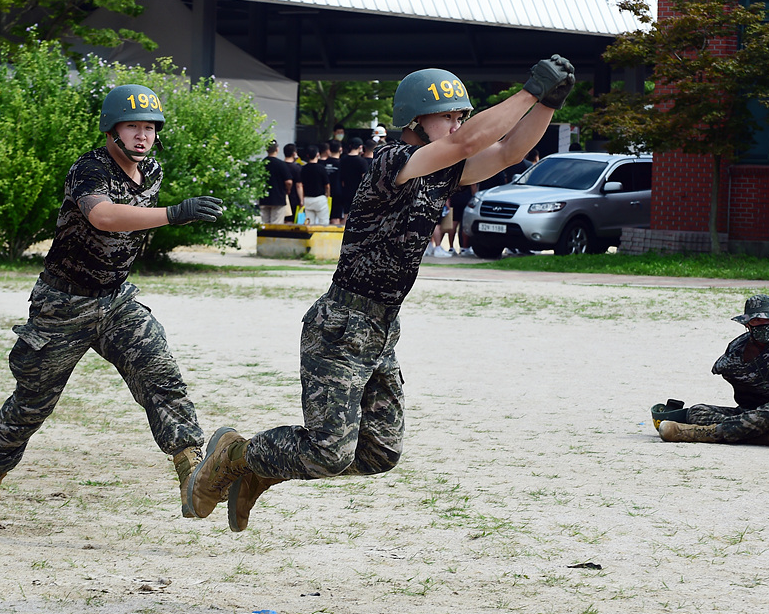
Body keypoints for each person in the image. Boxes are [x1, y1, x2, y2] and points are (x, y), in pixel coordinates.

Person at [185, 57, 575, 531]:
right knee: (330, 452)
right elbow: (469, 141)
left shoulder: (442, 170)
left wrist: (547, 103)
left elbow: (509, 151)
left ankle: (258, 470)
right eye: (449, 115)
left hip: (382, 327)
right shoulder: (393, 161)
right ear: (415, 120)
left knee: (380, 452)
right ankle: (236, 457)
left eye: (460, 115)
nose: (458, 123)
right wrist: (528, 91)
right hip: (341, 324)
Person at [0, 85, 225, 538]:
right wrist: (174, 214)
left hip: (116, 299)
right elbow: (102, 216)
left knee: (161, 375)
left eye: (149, 128)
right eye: (132, 126)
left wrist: (165, 215)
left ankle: (191, 472)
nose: (142, 136)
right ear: (112, 130)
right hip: (63, 303)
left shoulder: (152, 171)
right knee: (31, 405)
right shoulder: (89, 169)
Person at [658, 294, 769, 445]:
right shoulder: (736, 347)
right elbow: (722, 369)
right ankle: (760, 435)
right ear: (747, 324)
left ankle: (708, 433)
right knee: (696, 412)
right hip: (746, 413)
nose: (764, 324)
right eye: (757, 320)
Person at [259, 140, 292, 224]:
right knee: (276, 223)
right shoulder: (281, 164)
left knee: (264, 223)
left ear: (266, 150)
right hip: (278, 198)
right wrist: (288, 190)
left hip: (264, 198)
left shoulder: (262, 164)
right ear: (277, 149)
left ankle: (264, 237)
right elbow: (288, 181)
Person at [299, 143, 331, 225]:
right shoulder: (321, 168)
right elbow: (327, 185)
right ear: (318, 154)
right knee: (323, 222)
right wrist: (327, 195)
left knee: (309, 223)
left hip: (308, 199)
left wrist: (302, 200)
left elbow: (300, 185)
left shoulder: (303, 169)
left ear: (307, 155)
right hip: (320, 198)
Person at [338, 137, 369, 219]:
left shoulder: (342, 160)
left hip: (345, 191)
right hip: (358, 193)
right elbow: (364, 179)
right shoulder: (362, 161)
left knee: (346, 215)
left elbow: (341, 177)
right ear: (360, 147)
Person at [282, 143, 303, 223]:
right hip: (293, 198)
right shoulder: (297, 168)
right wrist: (301, 200)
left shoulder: (281, 165)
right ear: (294, 153)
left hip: (281, 197)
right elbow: (299, 185)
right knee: (291, 220)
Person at [326, 139, 345, 225]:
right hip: (338, 193)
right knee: (336, 217)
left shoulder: (322, 163)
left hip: (324, 194)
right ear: (340, 149)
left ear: (329, 150)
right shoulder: (342, 164)